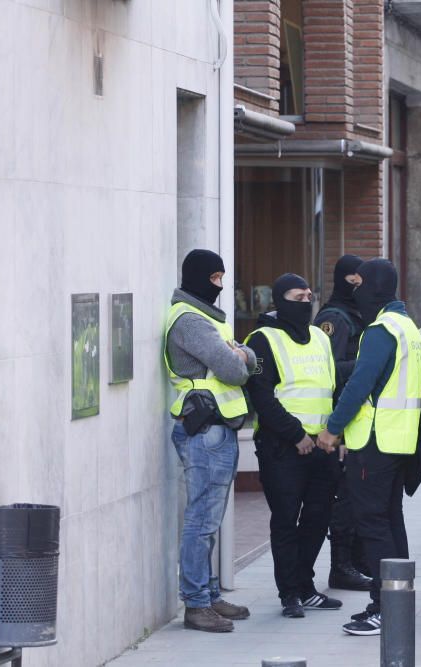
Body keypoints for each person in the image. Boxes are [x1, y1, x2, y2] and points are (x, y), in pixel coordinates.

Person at [316, 259, 421, 636]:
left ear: (376, 286)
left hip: (374, 442)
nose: (355, 289)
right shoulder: (408, 327)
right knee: (390, 521)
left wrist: (333, 429)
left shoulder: (381, 331)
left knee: (373, 524)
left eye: (361, 282)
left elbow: (359, 385)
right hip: (398, 442)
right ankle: (396, 604)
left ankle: (384, 608)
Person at [163, 249, 256, 633]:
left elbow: (248, 357)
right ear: (198, 277)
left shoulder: (207, 318)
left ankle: (210, 594)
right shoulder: (190, 320)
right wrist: (240, 356)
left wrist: (242, 354)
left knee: (210, 520)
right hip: (206, 429)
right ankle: (197, 603)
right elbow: (235, 368)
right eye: (215, 278)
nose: (219, 285)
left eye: (222, 278)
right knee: (201, 521)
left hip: (219, 426)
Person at [245, 274, 344, 618]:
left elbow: (330, 390)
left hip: (323, 446)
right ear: (279, 300)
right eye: (297, 296)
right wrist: (296, 435)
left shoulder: (319, 336)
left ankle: (306, 586)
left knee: (318, 518)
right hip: (283, 447)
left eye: (309, 296)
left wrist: (334, 435)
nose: (305, 302)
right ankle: (289, 593)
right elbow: (261, 396)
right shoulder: (261, 340)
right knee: (286, 519)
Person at [314, 255, 374, 591]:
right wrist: (368, 366)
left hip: (357, 417)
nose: (359, 286)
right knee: (345, 499)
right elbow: (330, 370)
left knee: (358, 494)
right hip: (340, 419)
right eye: (354, 280)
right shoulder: (334, 318)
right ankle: (342, 566)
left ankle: (359, 561)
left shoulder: (358, 315)